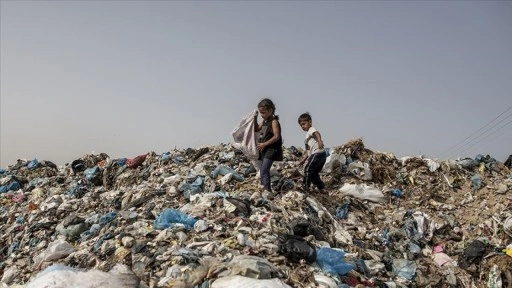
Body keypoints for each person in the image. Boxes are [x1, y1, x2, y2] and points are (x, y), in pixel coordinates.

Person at [251, 98, 283, 201]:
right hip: (265, 149)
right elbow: (256, 129)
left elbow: (277, 136)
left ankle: (268, 191)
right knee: (263, 170)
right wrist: (255, 118)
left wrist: (264, 144)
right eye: (260, 113)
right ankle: (266, 188)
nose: (262, 115)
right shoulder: (264, 121)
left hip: (272, 149)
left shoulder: (274, 122)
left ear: (270, 110)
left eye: (263, 112)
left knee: (264, 169)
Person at [297, 112, 327, 192]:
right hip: (319, 155)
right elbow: (308, 151)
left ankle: (305, 186)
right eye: (301, 125)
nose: (303, 126)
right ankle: (322, 188)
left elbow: (317, 133)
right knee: (313, 173)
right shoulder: (306, 138)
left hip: (318, 153)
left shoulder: (311, 129)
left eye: (304, 124)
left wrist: (319, 141)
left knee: (307, 168)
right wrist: (303, 160)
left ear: (310, 122)